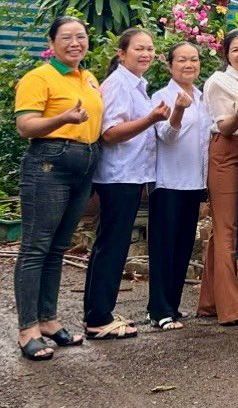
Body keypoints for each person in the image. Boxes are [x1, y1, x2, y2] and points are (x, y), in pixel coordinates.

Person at [13, 16, 104, 361]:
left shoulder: (89, 77)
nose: (75, 43)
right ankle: (28, 329)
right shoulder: (39, 78)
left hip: (83, 165)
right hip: (49, 165)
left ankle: (48, 320)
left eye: (80, 36)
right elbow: (25, 126)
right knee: (36, 247)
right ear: (51, 43)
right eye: (66, 37)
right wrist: (63, 118)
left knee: (57, 247)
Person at [84, 28, 170, 340]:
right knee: (112, 245)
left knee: (111, 244)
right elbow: (109, 133)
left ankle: (99, 312)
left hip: (130, 175)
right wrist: (151, 119)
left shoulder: (135, 83)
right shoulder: (119, 84)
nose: (146, 54)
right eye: (139, 49)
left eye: (149, 49)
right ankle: (98, 318)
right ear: (121, 53)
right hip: (118, 176)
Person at [197, 28, 238, 325]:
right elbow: (224, 126)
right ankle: (232, 308)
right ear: (226, 54)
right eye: (235, 50)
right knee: (226, 229)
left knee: (226, 227)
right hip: (226, 151)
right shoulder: (218, 82)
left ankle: (211, 301)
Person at [147, 41, 212, 330]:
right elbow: (166, 135)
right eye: (182, 60)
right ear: (170, 65)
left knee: (183, 245)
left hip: (194, 182)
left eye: (194, 59)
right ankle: (159, 310)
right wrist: (178, 111)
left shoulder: (201, 97)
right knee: (164, 247)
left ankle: (171, 306)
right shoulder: (161, 97)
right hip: (168, 182)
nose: (189, 65)